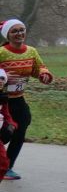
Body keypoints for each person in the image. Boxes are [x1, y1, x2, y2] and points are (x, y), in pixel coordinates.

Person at [0, 19, 53, 180]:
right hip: (1, 100)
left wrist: (44, 75)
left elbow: (39, 68)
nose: (19, 33)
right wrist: (4, 77)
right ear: (7, 35)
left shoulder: (31, 51)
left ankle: (8, 167)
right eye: (14, 31)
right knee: (4, 134)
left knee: (20, 130)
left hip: (18, 99)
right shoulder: (2, 52)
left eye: (21, 30)